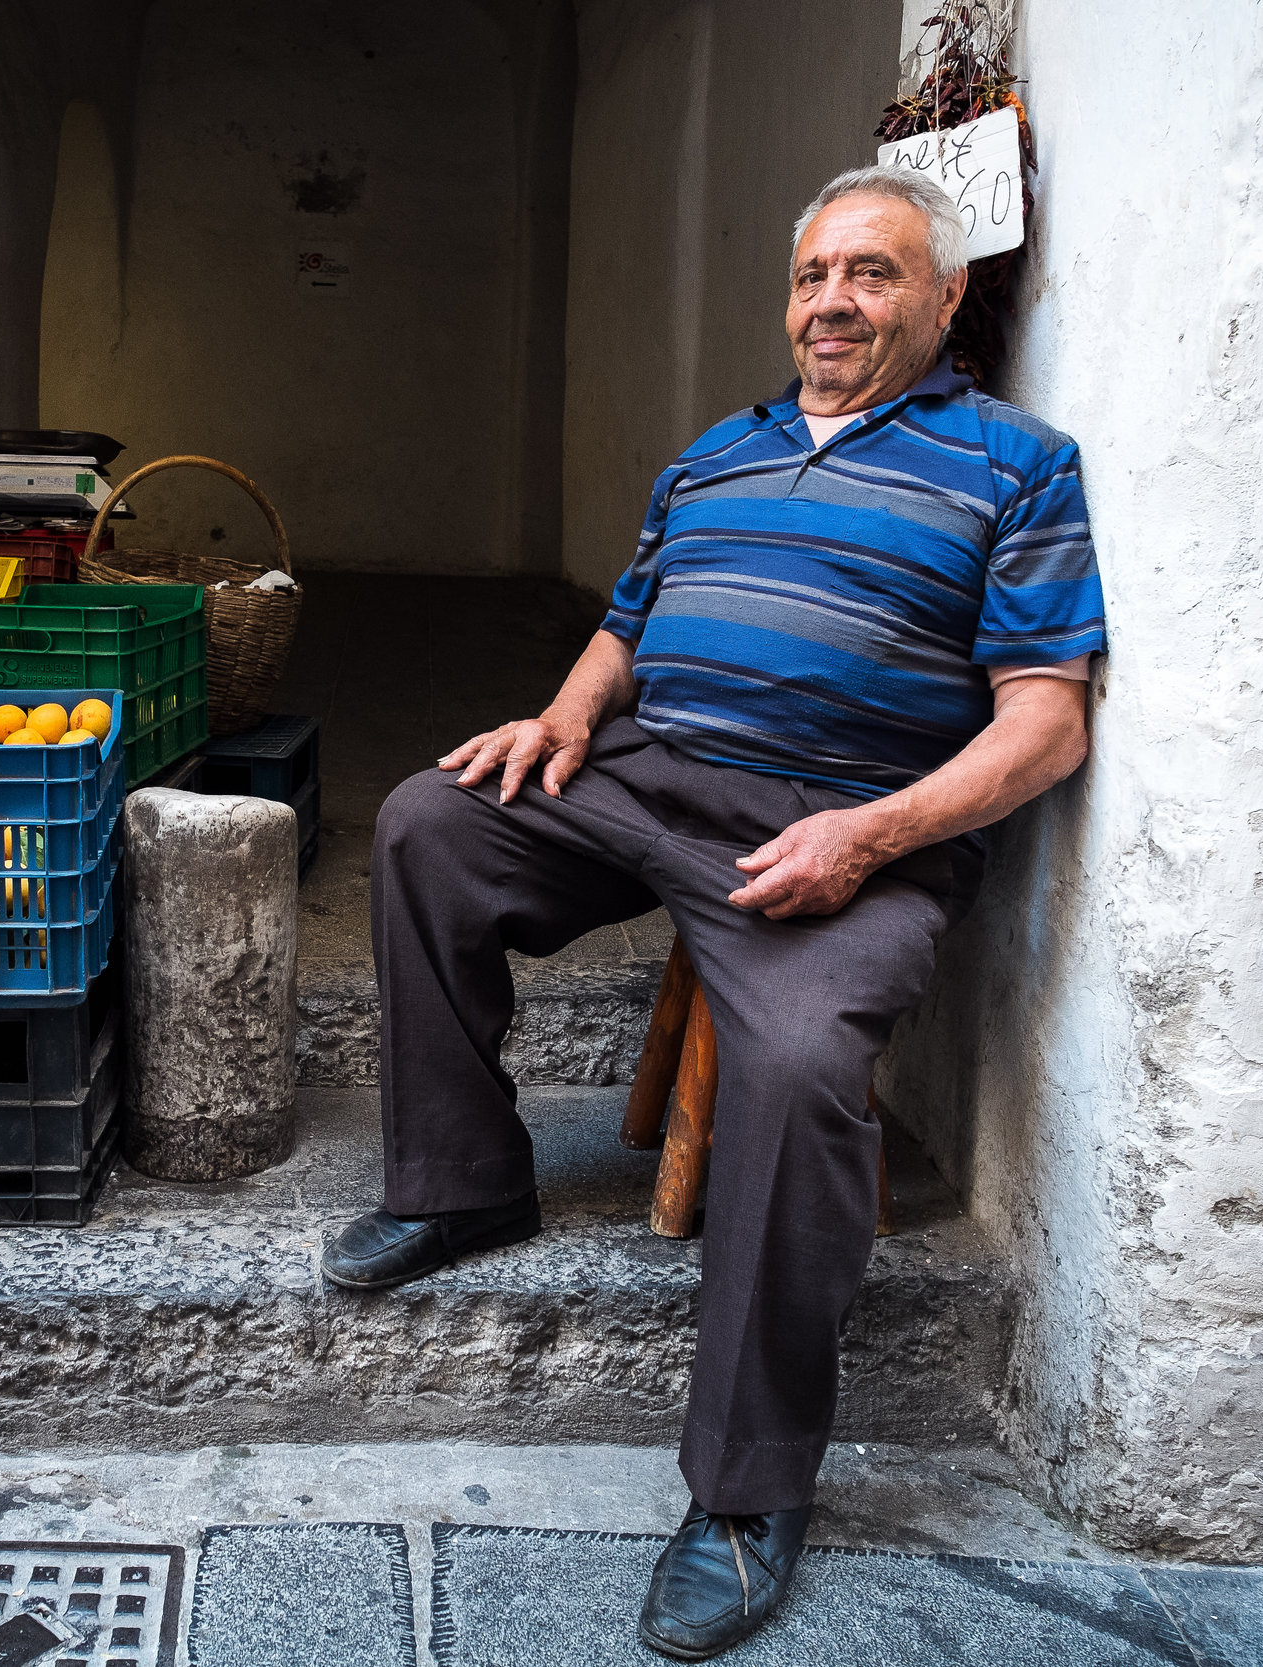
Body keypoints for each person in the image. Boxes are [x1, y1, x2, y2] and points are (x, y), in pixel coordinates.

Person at [321, 164, 1107, 1661]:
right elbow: (629, 622)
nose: (832, 301)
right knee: (431, 822)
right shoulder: (717, 454)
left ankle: (747, 1495)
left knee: (807, 1068)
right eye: (813, 274)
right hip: (647, 778)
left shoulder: (1018, 467)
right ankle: (462, 1180)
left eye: (873, 275)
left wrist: (870, 835)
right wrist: (559, 719)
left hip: (839, 829)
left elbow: (1044, 728)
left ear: (946, 303)